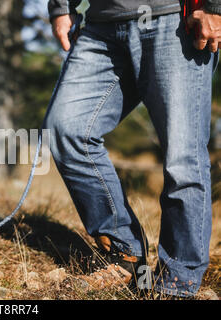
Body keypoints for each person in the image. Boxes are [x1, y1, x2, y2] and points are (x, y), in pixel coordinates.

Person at [45, 0, 220, 298]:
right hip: (103, 24)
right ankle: (126, 256)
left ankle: (177, 283)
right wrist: (61, 7)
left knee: (183, 160)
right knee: (67, 129)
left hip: (174, 19)